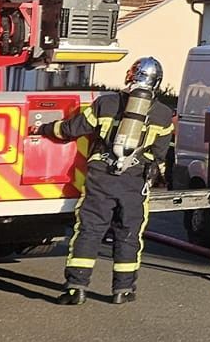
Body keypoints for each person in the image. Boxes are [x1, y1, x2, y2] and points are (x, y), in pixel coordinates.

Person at [42, 57, 176, 305]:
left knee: (90, 231)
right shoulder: (164, 114)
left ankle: (76, 288)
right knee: (128, 234)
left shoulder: (106, 103)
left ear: (131, 76)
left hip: (101, 178)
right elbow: (159, 155)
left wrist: (45, 129)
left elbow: (72, 129)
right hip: (134, 182)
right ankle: (123, 291)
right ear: (157, 83)